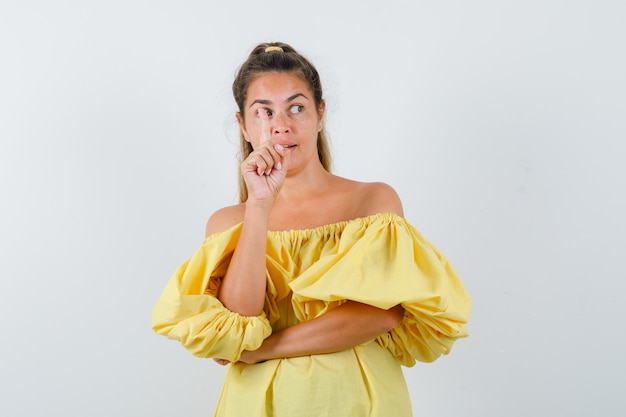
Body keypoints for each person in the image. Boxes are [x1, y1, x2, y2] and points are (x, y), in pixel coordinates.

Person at [152, 41, 471, 417]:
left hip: (359, 402)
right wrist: (258, 206)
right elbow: (237, 325)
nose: (281, 126)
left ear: (320, 115)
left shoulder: (371, 203)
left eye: (296, 107)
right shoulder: (227, 224)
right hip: (255, 405)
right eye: (263, 112)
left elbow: (381, 314)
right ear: (243, 124)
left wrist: (263, 349)